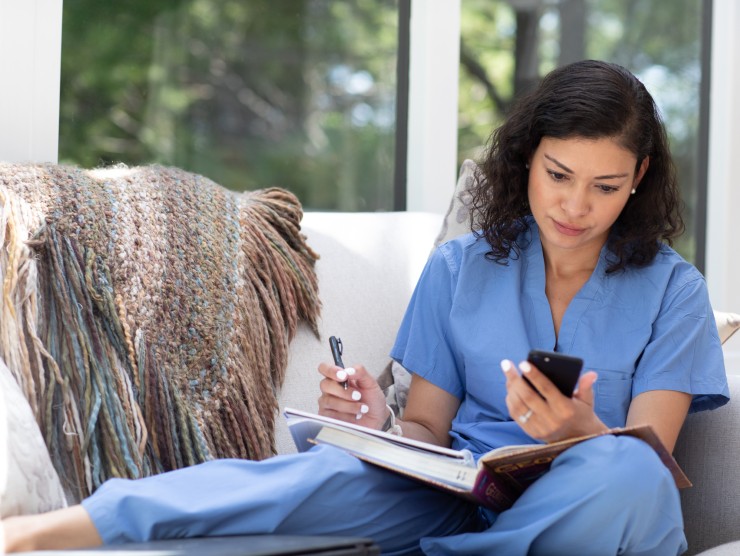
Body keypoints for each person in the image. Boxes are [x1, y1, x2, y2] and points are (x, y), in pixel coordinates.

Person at [1, 60, 729, 555]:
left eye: (605, 186)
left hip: (598, 501)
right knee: (320, 476)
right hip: (462, 488)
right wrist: (376, 421)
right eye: (559, 175)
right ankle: (54, 530)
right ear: (526, 161)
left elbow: (652, 462)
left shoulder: (674, 290)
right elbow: (426, 427)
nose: (575, 205)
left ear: (638, 180)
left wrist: (584, 432)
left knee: (620, 472)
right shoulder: (461, 267)